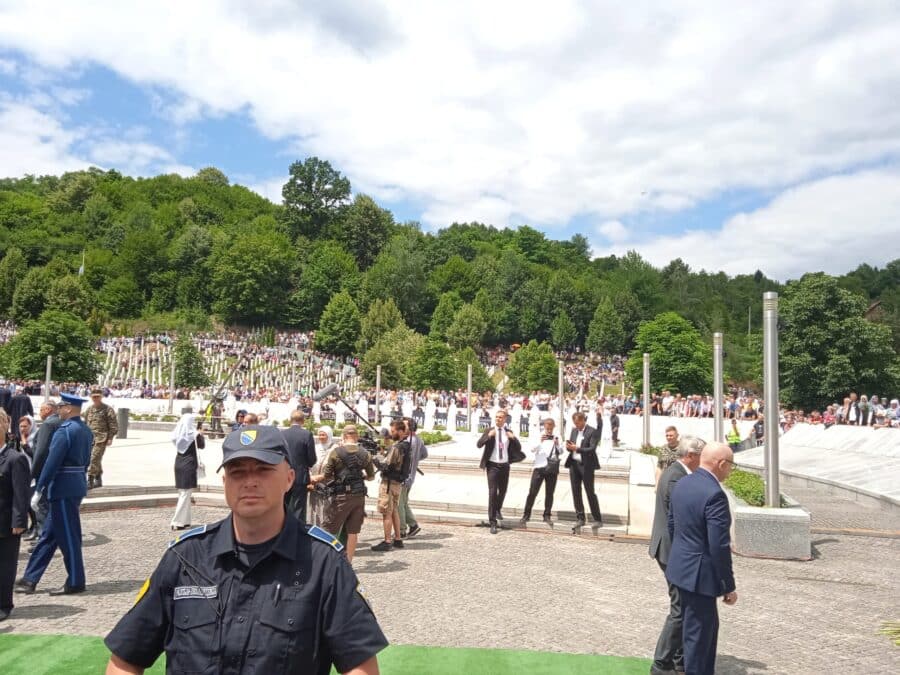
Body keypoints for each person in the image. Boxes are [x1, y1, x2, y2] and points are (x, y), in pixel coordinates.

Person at [103, 424, 387, 674]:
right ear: (225, 483)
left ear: (289, 478)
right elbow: (126, 658)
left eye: (263, 469)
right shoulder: (186, 557)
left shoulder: (323, 563)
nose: (250, 481)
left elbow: (359, 665)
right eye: (237, 472)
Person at [666, 442, 738, 675]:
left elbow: (672, 524)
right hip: (700, 576)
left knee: (697, 631)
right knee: (700, 637)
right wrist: (728, 584)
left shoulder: (683, 482)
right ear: (721, 464)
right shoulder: (715, 494)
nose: (730, 471)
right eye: (731, 466)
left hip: (681, 569)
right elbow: (719, 545)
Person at [15, 392, 93, 596]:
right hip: (75, 484)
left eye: (61, 407)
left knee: (69, 536)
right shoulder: (86, 430)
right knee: (49, 536)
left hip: (62, 487)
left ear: (67, 408)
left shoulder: (64, 430)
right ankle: (30, 578)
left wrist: (39, 487)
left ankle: (76, 581)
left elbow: (52, 463)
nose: (58, 410)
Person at [648, 435, 704, 675]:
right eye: (701, 456)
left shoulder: (676, 473)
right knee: (680, 607)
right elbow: (677, 519)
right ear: (691, 455)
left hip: (671, 549)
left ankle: (679, 659)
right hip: (671, 551)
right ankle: (661, 663)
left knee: (683, 606)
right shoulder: (676, 477)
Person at [313, 424, 375, 562]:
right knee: (353, 532)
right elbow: (371, 477)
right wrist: (361, 476)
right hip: (359, 497)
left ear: (344, 436)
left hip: (341, 497)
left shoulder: (337, 452)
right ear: (356, 436)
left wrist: (316, 479)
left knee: (328, 528)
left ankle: (326, 560)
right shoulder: (365, 453)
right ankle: (349, 562)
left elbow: (327, 474)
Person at [0, 409, 30, 621]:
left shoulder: (15, 458)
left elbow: (21, 493)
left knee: (5, 565)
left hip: (5, 521)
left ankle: (4, 604)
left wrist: (19, 521)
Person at [477, 409, 524, 535]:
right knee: (492, 493)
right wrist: (488, 436)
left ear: (505, 419)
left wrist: (514, 439)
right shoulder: (489, 431)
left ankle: (497, 509)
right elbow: (479, 444)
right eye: (496, 417)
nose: (498, 419)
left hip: (504, 466)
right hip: (492, 466)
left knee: (503, 491)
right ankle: (493, 522)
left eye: (500, 417)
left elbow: (518, 448)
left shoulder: (508, 432)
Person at [371, 419, 411, 551]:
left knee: (386, 512)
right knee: (394, 511)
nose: (391, 433)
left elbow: (386, 466)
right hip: (398, 484)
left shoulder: (397, 447)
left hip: (388, 483)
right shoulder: (406, 445)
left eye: (393, 431)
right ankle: (398, 538)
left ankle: (387, 541)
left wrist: (374, 459)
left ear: (400, 431)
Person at [28, 400, 61, 542]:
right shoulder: (62, 422)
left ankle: (43, 539)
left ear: (48, 410)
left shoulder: (48, 424)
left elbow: (40, 452)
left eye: (41, 410)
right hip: (58, 471)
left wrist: (33, 473)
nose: (39, 413)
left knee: (42, 506)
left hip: (44, 471)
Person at [520, 418, 563, 525]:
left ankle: (547, 515)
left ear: (553, 426)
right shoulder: (538, 436)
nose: (549, 430)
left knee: (550, 493)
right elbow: (532, 449)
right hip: (539, 467)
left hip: (552, 468)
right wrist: (540, 441)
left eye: (551, 427)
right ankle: (526, 514)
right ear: (544, 426)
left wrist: (557, 444)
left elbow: (561, 451)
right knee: (532, 492)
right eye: (547, 427)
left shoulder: (557, 436)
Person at [564, 411, 603, 527]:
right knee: (576, 492)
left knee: (590, 492)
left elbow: (592, 448)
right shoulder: (574, 430)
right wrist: (569, 447)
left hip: (586, 465)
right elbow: (572, 446)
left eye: (578, 423)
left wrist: (577, 448)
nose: (576, 425)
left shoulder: (592, 431)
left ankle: (597, 519)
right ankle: (580, 518)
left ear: (583, 420)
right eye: (574, 423)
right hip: (574, 464)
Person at [170, 413, 205, 531]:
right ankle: (177, 521)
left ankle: (186, 521)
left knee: (184, 493)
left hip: (179, 463)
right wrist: (200, 433)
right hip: (189, 465)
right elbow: (202, 445)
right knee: (185, 494)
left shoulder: (177, 434)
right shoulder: (194, 435)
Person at [281, 409, 317, 524]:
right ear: (303, 421)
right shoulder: (306, 434)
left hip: (283, 475)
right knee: (298, 509)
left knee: (283, 506)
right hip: (300, 477)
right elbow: (312, 458)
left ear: (290, 420)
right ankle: (296, 535)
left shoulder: (282, 434)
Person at [398, 417, 427, 538]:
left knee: (399, 503)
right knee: (404, 502)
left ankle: (402, 529)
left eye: (403, 426)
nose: (401, 428)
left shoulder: (408, 441)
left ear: (409, 428)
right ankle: (413, 525)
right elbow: (425, 454)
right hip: (411, 476)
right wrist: (415, 461)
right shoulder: (418, 439)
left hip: (404, 477)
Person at [86, 387, 118, 489]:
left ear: (101, 397)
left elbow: (113, 424)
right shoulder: (89, 409)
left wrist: (110, 437)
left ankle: (90, 480)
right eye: (94, 397)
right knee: (95, 458)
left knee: (94, 458)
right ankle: (98, 478)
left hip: (101, 438)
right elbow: (85, 421)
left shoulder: (107, 409)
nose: (95, 398)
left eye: (97, 397)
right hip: (90, 438)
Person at [308, 426, 335, 526]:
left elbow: (336, 467)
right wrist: (310, 476)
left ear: (329, 435)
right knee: (314, 509)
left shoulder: (335, 449)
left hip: (328, 484)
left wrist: (322, 477)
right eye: (320, 434)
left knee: (326, 509)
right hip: (314, 483)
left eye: (323, 434)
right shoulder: (315, 447)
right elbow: (308, 463)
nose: (321, 437)